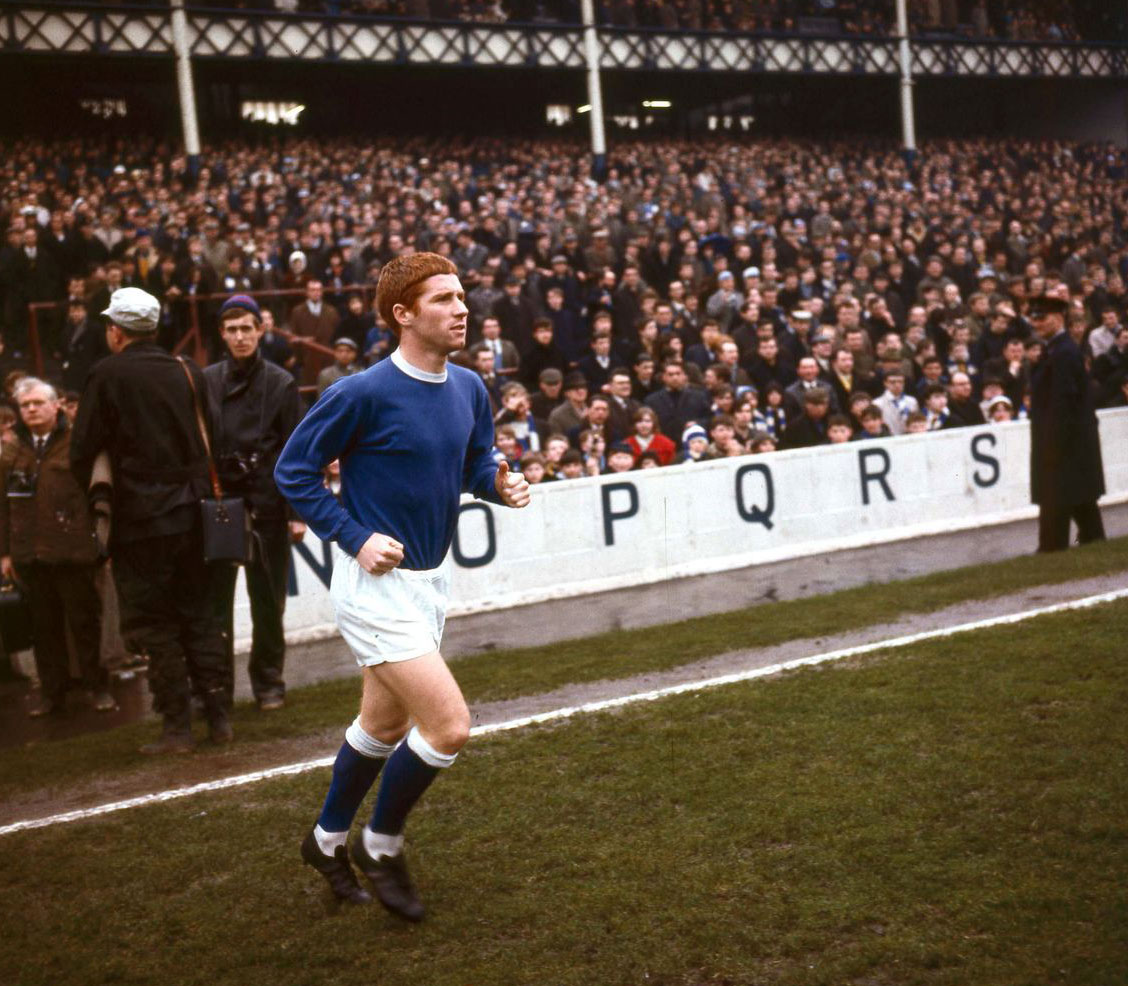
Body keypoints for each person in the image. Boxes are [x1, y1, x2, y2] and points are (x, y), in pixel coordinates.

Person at [275, 253, 531, 921]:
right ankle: (381, 843)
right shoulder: (361, 392)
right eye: (444, 298)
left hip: (430, 580)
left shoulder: (470, 387)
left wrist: (500, 486)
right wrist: (353, 535)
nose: (461, 307)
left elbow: (475, 466)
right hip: (372, 586)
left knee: (382, 723)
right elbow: (294, 472)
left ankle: (325, 840)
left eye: (461, 295)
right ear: (402, 314)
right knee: (448, 726)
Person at [70, 287, 229, 753]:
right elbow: (213, 439)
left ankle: (177, 726)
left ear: (116, 332)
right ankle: (219, 718)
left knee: (154, 625)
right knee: (200, 616)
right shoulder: (188, 370)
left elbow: (83, 450)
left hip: (141, 521)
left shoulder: (105, 373)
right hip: (196, 514)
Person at [204, 295, 305, 711]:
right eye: (232, 330)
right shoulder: (206, 380)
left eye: (247, 328)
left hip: (267, 505)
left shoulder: (281, 382)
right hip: (221, 507)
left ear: (260, 330)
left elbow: (297, 450)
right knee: (215, 605)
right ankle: (216, 687)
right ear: (222, 334)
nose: (240, 337)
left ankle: (268, 682)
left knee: (268, 603)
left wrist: (296, 513)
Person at [0, 377, 111, 717]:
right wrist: (5, 552)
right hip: (29, 552)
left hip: (73, 549)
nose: (31, 409)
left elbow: (96, 491)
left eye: (37, 403)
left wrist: (99, 539)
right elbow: (2, 506)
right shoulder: (11, 450)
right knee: (43, 628)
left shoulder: (77, 441)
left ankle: (97, 687)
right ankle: (53, 693)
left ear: (56, 405)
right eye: (25, 405)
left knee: (84, 623)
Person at [1027, 289, 1106, 552]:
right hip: (1068, 447)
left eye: (1042, 317)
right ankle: (1091, 549)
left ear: (1059, 317)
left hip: (1063, 447)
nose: (1037, 322)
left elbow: (1064, 404)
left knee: (1058, 506)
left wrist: (1052, 446)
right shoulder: (1056, 351)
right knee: (1083, 507)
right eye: (1034, 318)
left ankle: (1052, 552)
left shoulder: (1063, 352)